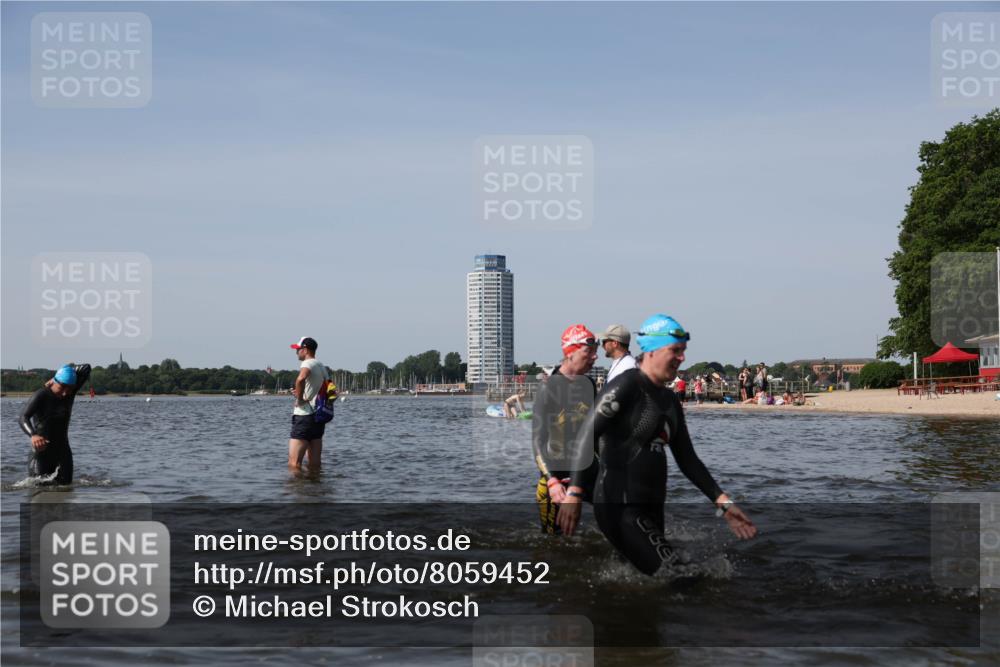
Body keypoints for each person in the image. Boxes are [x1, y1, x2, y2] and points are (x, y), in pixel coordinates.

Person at [557, 315, 756, 575]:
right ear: (651, 350)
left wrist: (723, 503)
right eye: (675, 351)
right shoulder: (627, 387)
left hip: (652, 506)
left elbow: (688, 459)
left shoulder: (669, 401)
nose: (682, 358)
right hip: (619, 505)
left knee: (650, 583)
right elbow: (585, 435)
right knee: (678, 576)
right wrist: (574, 492)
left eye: (683, 351)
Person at [532, 324, 599, 534]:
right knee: (554, 542)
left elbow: (596, 433)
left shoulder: (588, 384)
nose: (595, 357)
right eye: (589, 352)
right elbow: (537, 441)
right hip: (557, 476)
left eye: (596, 352)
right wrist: (552, 481)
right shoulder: (548, 388)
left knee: (621, 521)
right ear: (570, 353)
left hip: (587, 471)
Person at [19, 363, 92, 485]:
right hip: (41, 454)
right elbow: (23, 417)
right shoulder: (41, 395)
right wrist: (33, 435)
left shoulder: (70, 393)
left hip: (63, 452)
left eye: (69, 389)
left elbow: (86, 368)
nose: (65, 393)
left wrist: (68, 371)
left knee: (66, 488)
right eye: (62, 387)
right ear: (53, 381)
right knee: (39, 489)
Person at [288, 336, 329, 471]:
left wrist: (299, 399)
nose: (296, 352)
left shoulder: (307, 364)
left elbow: (300, 379)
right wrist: (302, 393)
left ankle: (298, 490)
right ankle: (315, 489)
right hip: (318, 417)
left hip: (304, 416)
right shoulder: (321, 366)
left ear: (305, 350)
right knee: (315, 463)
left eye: (298, 349)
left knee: (294, 464)